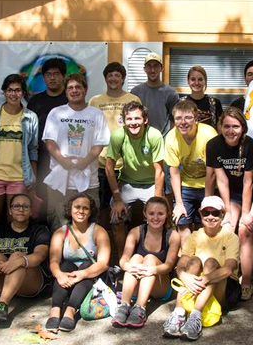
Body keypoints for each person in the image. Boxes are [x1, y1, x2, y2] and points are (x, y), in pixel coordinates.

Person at [0, 74, 40, 279]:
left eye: (18, 90)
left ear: (23, 93)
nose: (14, 94)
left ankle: (9, 264)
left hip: (19, 177)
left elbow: (33, 150)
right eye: (10, 90)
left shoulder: (30, 117)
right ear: (3, 92)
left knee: (13, 221)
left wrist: (33, 180)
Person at [205, 107, 253, 301]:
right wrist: (228, 211)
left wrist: (246, 213)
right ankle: (228, 278)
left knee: (245, 230)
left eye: (236, 127)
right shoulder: (213, 145)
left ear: (243, 128)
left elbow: (248, 183)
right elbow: (221, 180)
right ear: (221, 127)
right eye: (227, 126)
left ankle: (246, 282)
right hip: (232, 193)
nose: (231, 131)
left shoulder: (250, 146)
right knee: (228, 227)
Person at [162, 196, 241, 341]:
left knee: (211, 262)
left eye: (215, 213)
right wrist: (185, 276)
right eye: (206, 213)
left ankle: (195, 317)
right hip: (197, 286)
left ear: (222, 214)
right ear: (200, 214)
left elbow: (229, 269)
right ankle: (178, 313)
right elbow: (181, 264)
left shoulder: (231, 237)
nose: (210, 217)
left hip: (223, 287)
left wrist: (204, 279)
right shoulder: (194, 236)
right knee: (194, 261)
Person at [40, 73, 111, 232]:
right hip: (60, 182)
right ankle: (59, 256)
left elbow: (99, 143)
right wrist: (63, 161)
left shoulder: (96, 114)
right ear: (65, 92)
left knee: (89, 225)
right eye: (70, 88)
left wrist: (84, 162)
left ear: (85, 90)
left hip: (89, 181)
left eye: (78, 87)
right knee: (59, 224)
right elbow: (50, 142)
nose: (74, 91)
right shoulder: (56, 113)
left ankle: (87, 256)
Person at [0, 194, 52, 330]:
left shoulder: (40, 230)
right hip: (4, 281)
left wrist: (19, 261)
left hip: (31, 282)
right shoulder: (0, 229)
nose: (20, 209)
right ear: (10, 210)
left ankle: (2, 305)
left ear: (31, 210)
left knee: (17, 256)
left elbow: (40, 255)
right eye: (16, 206)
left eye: (25, 206)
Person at [104, 101, 165, 261]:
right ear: (124, 121)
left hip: (152, 182)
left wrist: (156, 200)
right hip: (127, 182)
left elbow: (159, 171)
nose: (133, 123)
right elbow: (109, 168)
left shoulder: (154, 135)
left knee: (157, 218)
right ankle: (123, 260)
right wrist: (117, 199)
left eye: (137, 118)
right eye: (129, 119)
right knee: (116, 218)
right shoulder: (118, 135)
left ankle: (153, 258)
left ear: (145, 120)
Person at [46, 193, 112, 332]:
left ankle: (70, 310)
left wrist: (83, 273)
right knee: (65, 266)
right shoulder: (60, 232)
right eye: (77, 207)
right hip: (68, 276)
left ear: (90, 212)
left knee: (88, 264)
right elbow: (53, 261)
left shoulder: (99, 231)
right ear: (70, 209)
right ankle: (55, 310)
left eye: (85, 208)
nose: (80, 211)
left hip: (92, 275)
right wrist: (59, 275)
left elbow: (103, 263)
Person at [111, 197, 181, 328]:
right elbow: (123, 259)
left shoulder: (173, 236)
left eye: (160, 214)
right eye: (151, 213)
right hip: (138, 281)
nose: (156, 218)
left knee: (149, 258)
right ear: (145, 214)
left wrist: (153, 269)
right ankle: (124, 305)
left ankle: (140, 307)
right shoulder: (136, 232)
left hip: (161, 286)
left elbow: (169, 265)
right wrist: (129, 266)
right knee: (136, 257)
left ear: (167, 215)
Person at [88, 61, 141, 219]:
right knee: (102, 207)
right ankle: (104, 240)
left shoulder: (133, 99)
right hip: (101, 163)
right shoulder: (94, 101)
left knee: (127, 209)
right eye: (110, 75)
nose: (113, 79)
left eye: (117, 75)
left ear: (123, 79)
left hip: (127, 164)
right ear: (105, 79)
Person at [165, 100, 219, 241]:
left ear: (196, 119)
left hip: (208, 184)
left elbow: (211, 172)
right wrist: (179, 203)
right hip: (186, 184)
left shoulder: (209, 134)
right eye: (178, 118)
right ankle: (187, 258)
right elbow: (174, 172)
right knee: (181, 220)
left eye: (188, 118)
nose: (183, 122)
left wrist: (207, 201)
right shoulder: (171, 138)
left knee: (207, 222)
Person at [27, 58, 70, 216]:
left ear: (63, 77)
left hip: (66, 158)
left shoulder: (70, 99)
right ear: (43, 78)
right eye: (48, 75)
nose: (52, 78)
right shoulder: (35, 101)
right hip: (41, 158)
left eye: (56, 74)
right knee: (42, 198)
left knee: (64, 199)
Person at [130, 52, 180, 134]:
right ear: (144, 69)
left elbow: (174, 120)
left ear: (162, 68)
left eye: (156, 66)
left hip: (162, 140)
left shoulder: (170, 93)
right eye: (149, 66)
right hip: (140, 138)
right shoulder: (136, 92)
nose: (152, 70)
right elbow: (131, 117)